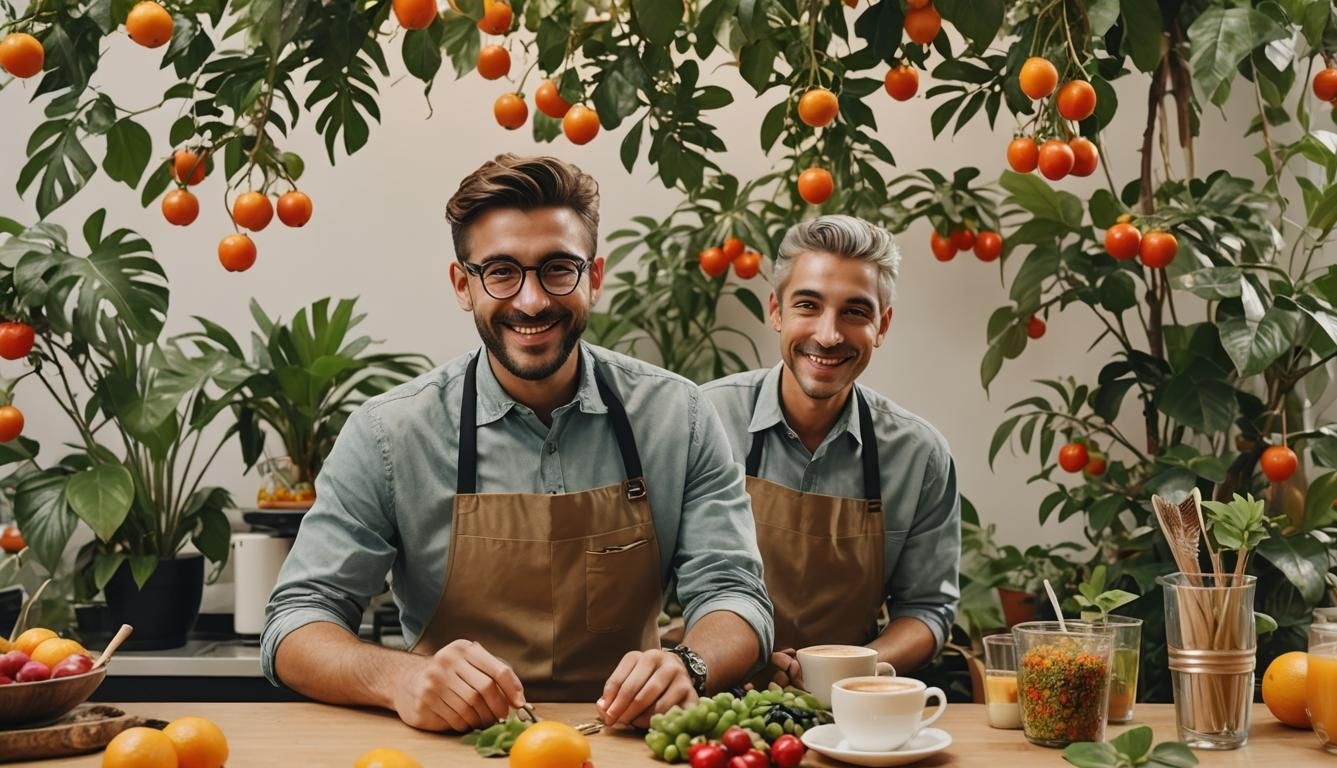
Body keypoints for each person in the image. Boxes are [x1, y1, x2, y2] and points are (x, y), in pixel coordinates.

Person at [262, 154, 772, 732]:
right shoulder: (389, 433)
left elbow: (737, 595)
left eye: (558, 269)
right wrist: (399, 678)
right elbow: (295, 623)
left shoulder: (679, 416)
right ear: (463, 284)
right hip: (452, 748)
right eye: (501, 271)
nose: (532, 301)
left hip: (628, 743)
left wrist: (690, 663)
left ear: (594, 277)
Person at [701, 214, 960, 687]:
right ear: (776, 310)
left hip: (850, 709)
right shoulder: (705, 419)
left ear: (882, 325)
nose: (828, 334)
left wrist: (849, 671)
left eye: (855, 312)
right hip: (712, 695)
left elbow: (927, 609)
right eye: (808, 306)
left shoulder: (919, 456)